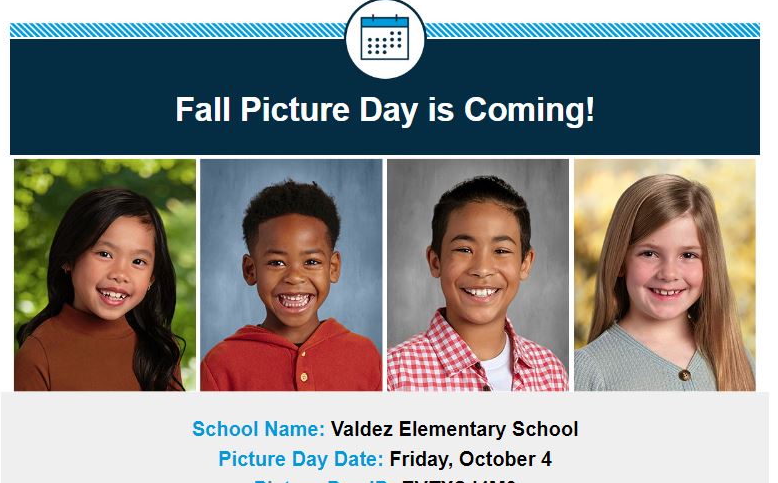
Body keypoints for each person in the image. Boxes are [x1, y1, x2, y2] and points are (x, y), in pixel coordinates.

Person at [575, 174, 755, 391]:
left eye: (688, 255)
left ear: (710, 265)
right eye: (649, 253)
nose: (669, 274)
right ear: (620, 261)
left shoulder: (737, 358)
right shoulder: (589, 369)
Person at [387, 175, 567, 391]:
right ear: (435, 262)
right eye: (464, 250)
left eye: (501, 251)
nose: (482, 269)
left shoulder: (551, 372)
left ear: (525, 264)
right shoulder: (394, 374)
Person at [200, 180, 381, 391]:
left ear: (333, 268)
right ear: (250, 270)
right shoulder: (220, 364)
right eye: (276, 263)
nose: (294, 277)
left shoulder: (365, 355)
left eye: (311, 262)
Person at [15, 188, 184, 390]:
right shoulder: (37, 355)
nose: (120, 274)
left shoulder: (161, 351)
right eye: (104, 254)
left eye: (138, 261)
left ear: (151, 278)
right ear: (69, 258)